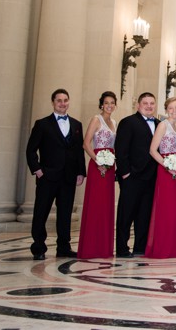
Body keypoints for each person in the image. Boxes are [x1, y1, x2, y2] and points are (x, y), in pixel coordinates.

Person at [25, 88, 86, 259]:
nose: (62, 103)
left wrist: (81, 172)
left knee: (65, 213)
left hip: (68, 176)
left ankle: (63, 247)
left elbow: (78, 151)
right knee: (41, 212)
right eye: (59, 100)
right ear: (53, 102)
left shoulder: (76, 125)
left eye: (65, 100)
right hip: (47, 176)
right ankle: (38, 247)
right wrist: (37, 169)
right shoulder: (42, 124)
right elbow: (31, 150)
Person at [115, 92, 159, 257]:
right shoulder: (128, 122)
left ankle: (140, 247)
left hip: (152, 177)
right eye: (145, 103)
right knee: (126, 213)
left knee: (144, 214)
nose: (149, 106)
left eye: (152, 103)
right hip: (132, 176)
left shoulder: (158, 123)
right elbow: (121, 149)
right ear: (138, 105)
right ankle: (122, 247)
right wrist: (125, 173)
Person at [77, 91, 117, 259]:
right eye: (106, 102)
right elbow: (86, 144)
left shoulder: (114, 122)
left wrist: (110, 163)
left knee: (106, 205)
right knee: (95, 203)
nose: (109, 105)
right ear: (101, 104)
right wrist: (98, 161)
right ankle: (91, 247)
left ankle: (104, 247)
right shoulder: (96, 119)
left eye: (112, 103)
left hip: (109, 167)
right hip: (98, 166)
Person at [145, 96, 176, 258]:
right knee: (165, 209)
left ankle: (174, 247)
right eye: (171, 108)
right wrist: (167, 165)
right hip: (166, 170)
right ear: (166, 109)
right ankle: (162, 247)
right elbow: (153, 150)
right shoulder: (163, 125)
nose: (174, 111)